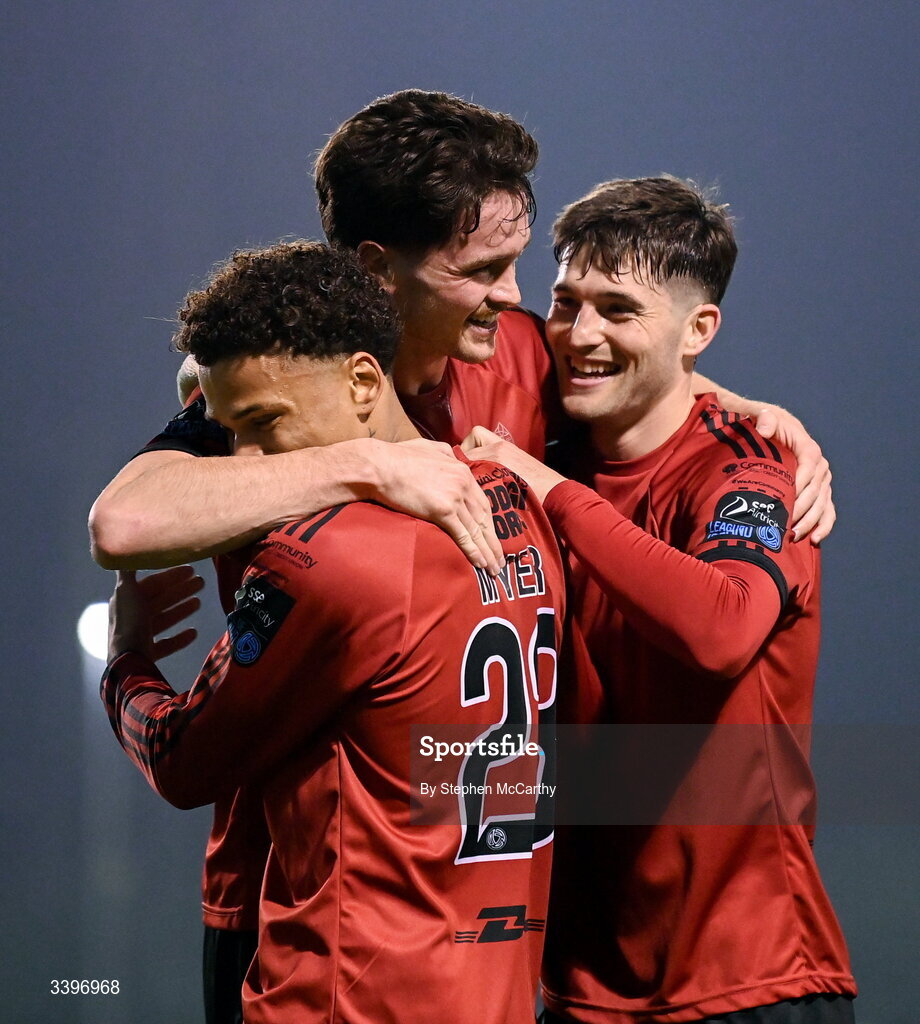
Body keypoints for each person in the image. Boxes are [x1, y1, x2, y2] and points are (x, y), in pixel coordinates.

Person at [88, 91, 835, 1021]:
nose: (517, 294)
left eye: (519, 263)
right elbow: (121, 525)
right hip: (296, 901)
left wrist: (753, 416)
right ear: (378, 270)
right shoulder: (269, 388)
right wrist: (364, 463)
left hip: (499, 924)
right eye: (483, 267)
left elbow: (644, 361)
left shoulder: (516, 360)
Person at [102, 240, 567, 1024]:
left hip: (345, 998)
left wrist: (127, 664)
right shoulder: (516, 500)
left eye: (261, 424)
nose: (242, 459)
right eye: (226, 431)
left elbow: (183, 760)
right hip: (497, 994)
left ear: (362, 380)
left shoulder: (324, 558)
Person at [465, 176, 856, 1024]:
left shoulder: (745, 465)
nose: (581, 335)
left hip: (748, 985)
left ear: (699, 331)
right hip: (578, 988)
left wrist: (552, 494)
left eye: (619, 309)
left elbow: (722, 629)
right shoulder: (551, 447)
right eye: (567, 303)